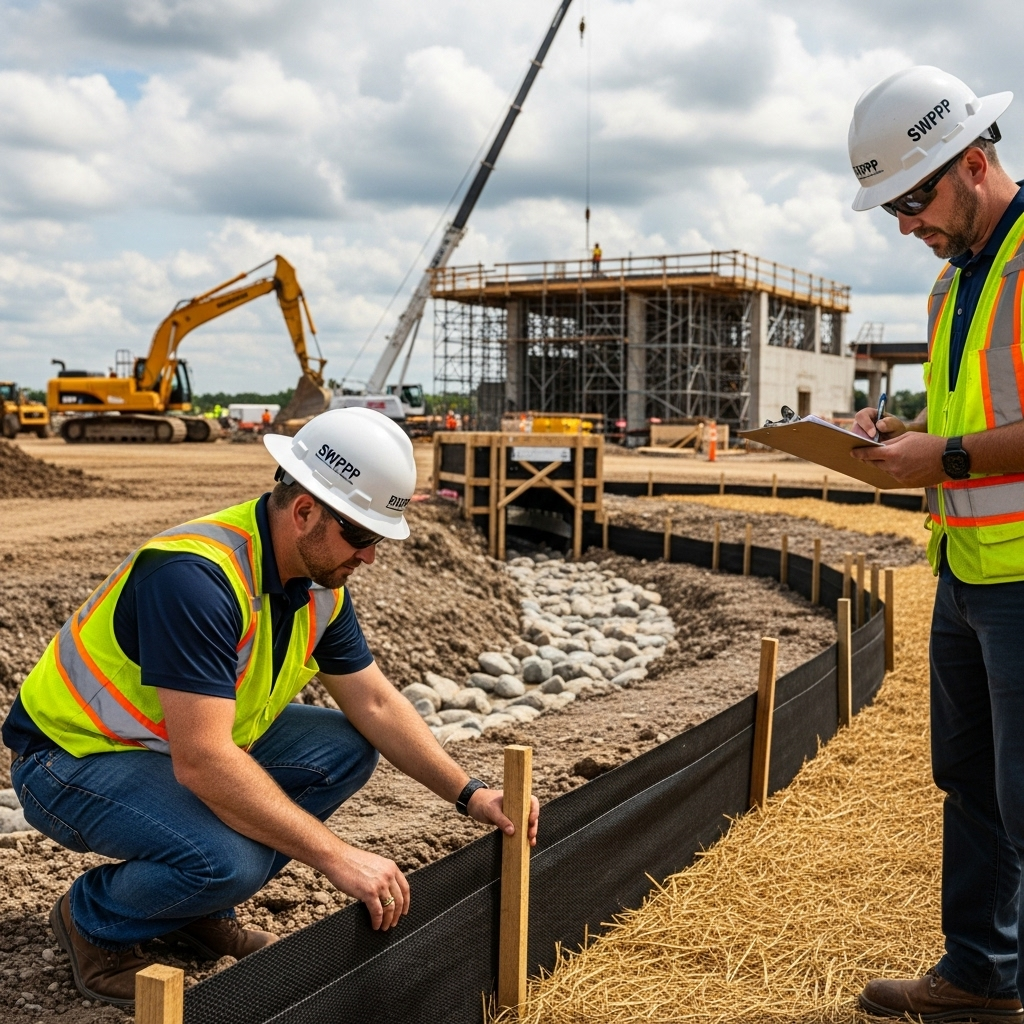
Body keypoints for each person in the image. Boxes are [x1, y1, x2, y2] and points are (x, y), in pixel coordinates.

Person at [2, 407, 539, 1007]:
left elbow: (378, 705)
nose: (368, 557)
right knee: (228, 860)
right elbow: (204, 762)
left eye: (378, 539)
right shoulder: (193, 577)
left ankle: (189, 907)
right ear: (305, 510)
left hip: (164, 749)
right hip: (70, 759)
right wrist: (336, 858)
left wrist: (470, 793)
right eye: (360, 535)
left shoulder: (318, 585)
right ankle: (95, 922)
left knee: (343, 746)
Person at [846, 66, 1024, 1020]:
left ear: (976, 161)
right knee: (972, 782)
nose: (908, 225)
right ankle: (983, 976)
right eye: (893, 212)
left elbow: (968, 444)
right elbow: (973, 416)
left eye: (914, 199)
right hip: (964, 572)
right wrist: (896, 440)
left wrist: (943, 458)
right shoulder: (950, 287)